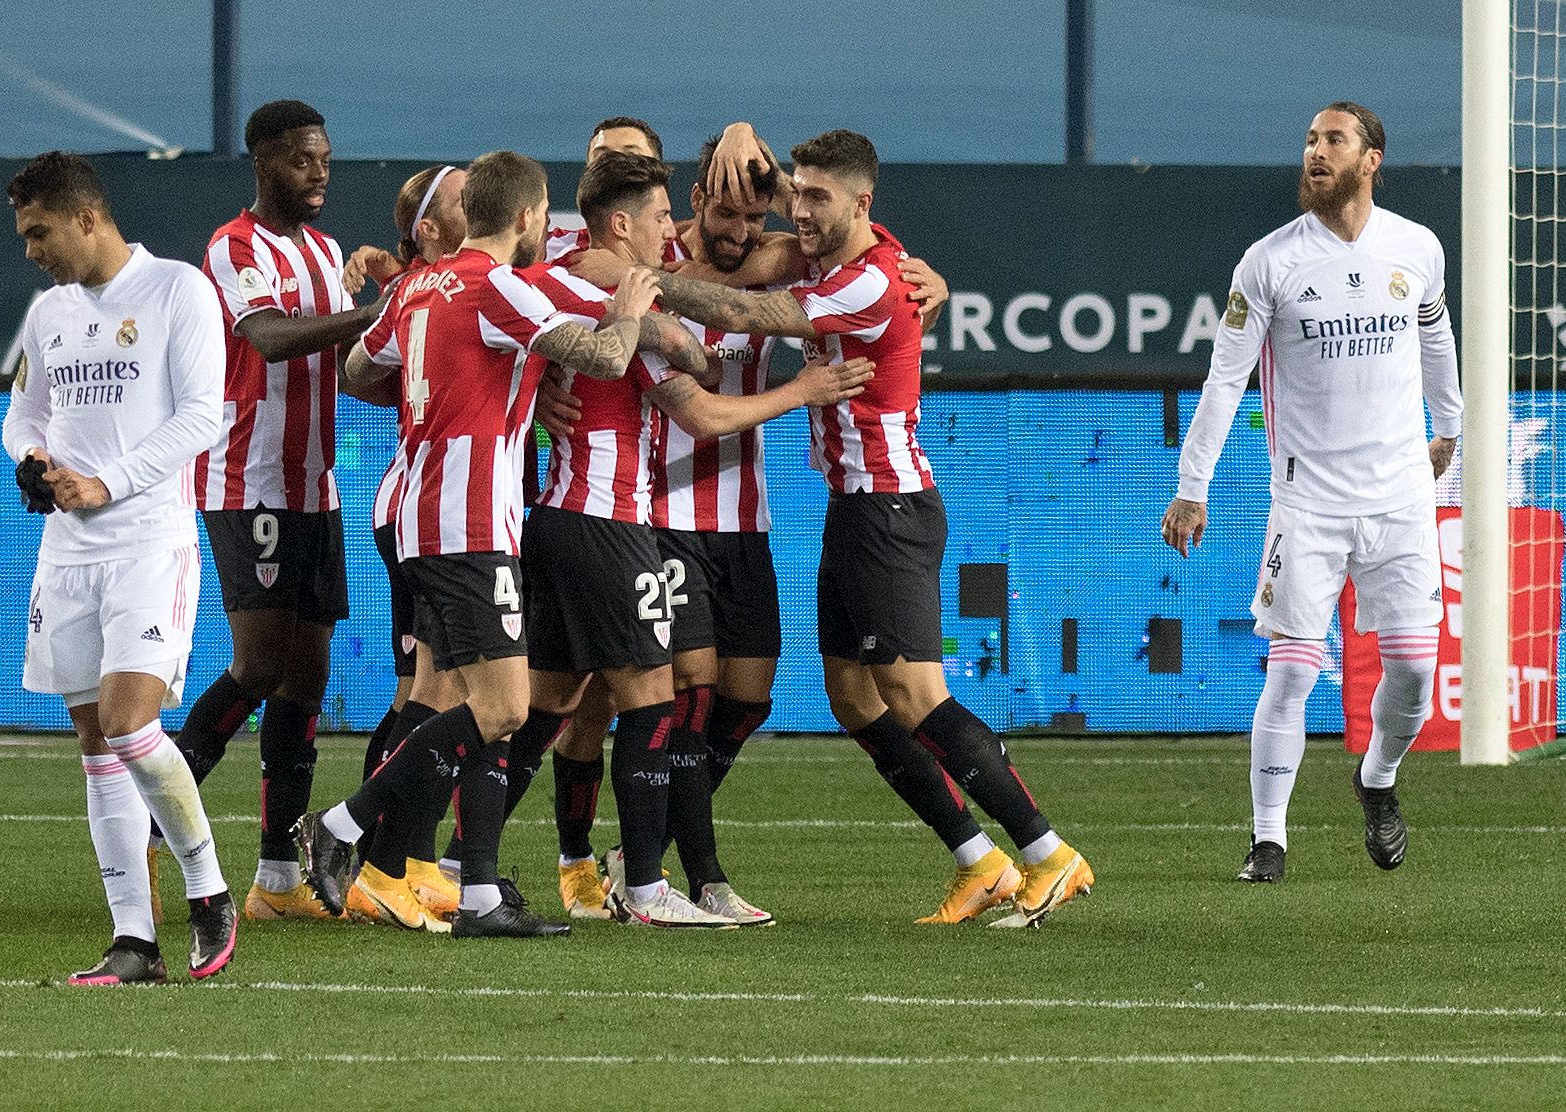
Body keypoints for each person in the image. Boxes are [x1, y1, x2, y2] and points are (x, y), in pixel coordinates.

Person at [583, 130, 1092, 927]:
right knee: (853, 699)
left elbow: (753, 309)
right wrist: (747, 138)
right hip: (814, 510)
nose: (790, 215)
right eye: (792, 197)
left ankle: (1045, 851)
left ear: (860, 204)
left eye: (808, 201)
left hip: (883, 508)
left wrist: (644, 287)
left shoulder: (855, 280)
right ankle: (978, 859)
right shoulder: (836, 255)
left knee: (912, 696)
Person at [293, 150, 713, 937]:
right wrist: (625, 306)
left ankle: (473, 890)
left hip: (416, 513)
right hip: (471, 522)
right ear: (526, 218)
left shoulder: (416, 285)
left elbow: (355, 369)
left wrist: (449, 388)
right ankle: (345, 828)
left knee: (447, 696)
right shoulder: (498, 288)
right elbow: (608, 358)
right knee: (503, 708)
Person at [500, 151, 874, 928]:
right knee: (662, 701)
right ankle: (675, 878)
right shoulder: (624, 277)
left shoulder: (767, 266)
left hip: (732, 521)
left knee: (724, 701)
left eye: (755, 216)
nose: (740, 230)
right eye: (715, 213)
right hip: (651, 521)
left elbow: (843, 230)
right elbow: (684, 387)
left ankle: (446, 859)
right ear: (682, 209)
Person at [1161, 102, 1462, 883]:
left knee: (1414, 673)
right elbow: (1226, 378)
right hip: (1308, 505)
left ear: (1370, 160)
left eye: (1332, 141)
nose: (1313, 153)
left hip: (1398, 498)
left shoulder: (1416, 248)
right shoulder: (1268, 262)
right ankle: (1268, 838)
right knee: (1292, 669)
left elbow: (1434, 335)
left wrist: (1450, 428)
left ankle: (1377, 778)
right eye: (1307, 141)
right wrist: (1191, 486)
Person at [3, 151, 237, 984]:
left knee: (132, 724)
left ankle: (209, 890)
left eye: (39, 232)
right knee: (96, 743)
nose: (31, 250)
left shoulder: (178, 290)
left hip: (147, 541)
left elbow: (203, 415)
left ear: (86, 219)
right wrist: (34, 460)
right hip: (67, 554)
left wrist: (109, 481)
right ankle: (133, 941)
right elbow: (22, 414)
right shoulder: (48, 315)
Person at [174, 99, 383, 921]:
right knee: (257, 665)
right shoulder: (234, 247)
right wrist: (375, 310)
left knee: (307, 676)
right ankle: (145, 823)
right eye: (303, 159)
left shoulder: (328, 252)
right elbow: (267, 337)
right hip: (248, 479)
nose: (320, 171)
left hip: (314, 489)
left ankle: (276, 878)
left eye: (326, 157)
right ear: (264, 164)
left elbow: (351, 349)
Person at [335, 165, 472, 927]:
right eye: (459, 201)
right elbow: (360, 372)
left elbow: (362, 373)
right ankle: (377, 860)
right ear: (426, 227)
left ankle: (406, 860)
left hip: (450, 512)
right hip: (434, 513)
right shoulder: (441, 289)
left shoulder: (444, 286)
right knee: (436, 690)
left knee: (429, 690)